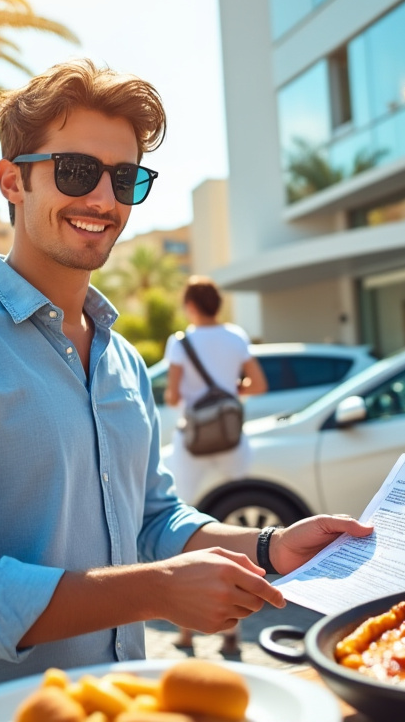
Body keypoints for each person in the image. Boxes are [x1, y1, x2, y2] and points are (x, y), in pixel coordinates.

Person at [0, 59, 371, 720]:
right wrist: (154, 591)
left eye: (124, 178)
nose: (104, 199)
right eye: (76, 171)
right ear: (12, 180)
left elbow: (152, 520)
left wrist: (271, 548)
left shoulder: (124, 359)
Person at [162, 277, 269, 655]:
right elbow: (258, 385)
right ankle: (233, 632)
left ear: (191, 306)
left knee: (183, 532)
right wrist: (228, 390)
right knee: (233, 528)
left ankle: (186, 632)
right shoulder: (235, 335)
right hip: (231, 442)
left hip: (193, 444)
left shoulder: (180, 342)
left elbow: (172, 395)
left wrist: (194, 395)